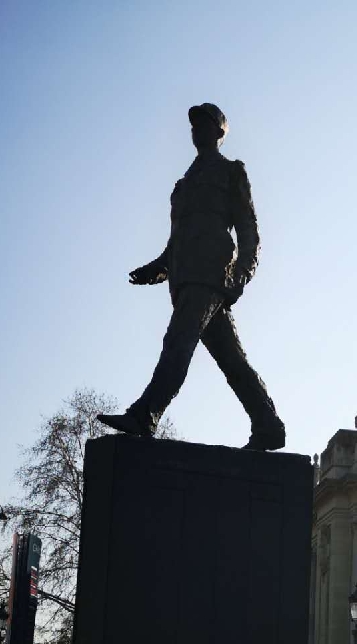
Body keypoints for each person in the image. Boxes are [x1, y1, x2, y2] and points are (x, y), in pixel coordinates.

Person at [98, 103, 286, 452]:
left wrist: (241, 275)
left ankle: (145, 415)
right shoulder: (182, 186)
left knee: (177, 343)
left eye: (204, 124)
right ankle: (268, 425)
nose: (196, 130)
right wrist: (157, 267)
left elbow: (248, 230)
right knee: (232, 360)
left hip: (212, 274)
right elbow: (177, 241)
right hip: (185, 279)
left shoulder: (230, 172)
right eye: (193, 125)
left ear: (219, 132)